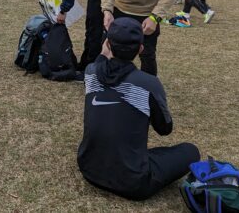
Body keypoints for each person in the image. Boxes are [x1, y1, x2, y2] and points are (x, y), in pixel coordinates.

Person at [78, 18, 200, 200]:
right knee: (191, 151)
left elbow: (99, 65)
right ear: (141, 49)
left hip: (89, 168)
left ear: (107, 44)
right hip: (133, 182)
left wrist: (104, 53)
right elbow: (164, 129)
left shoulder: (90, 72)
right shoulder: (148, 83)